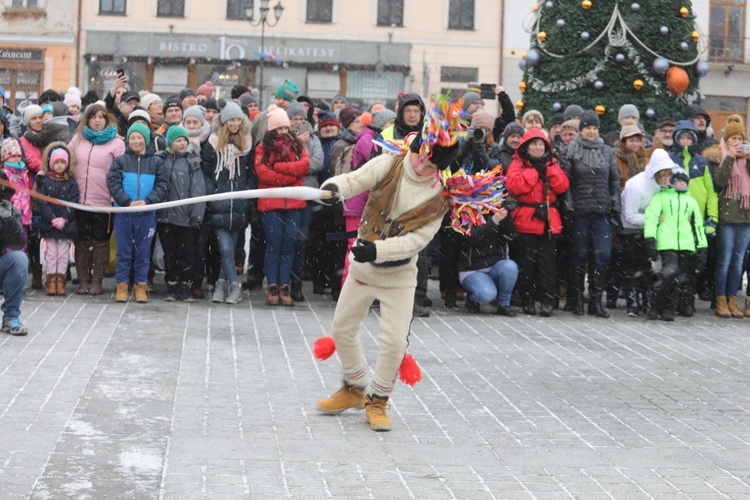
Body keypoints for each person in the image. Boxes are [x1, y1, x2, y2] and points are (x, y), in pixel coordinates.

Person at [316, 102, 459, 432]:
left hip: (399, 276)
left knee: (394, 342)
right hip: (363, 270)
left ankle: (377, 401)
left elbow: (415, 242)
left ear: (440, 165)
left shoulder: (440, 196)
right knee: (342, 329)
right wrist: (334, 188)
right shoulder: (391, 163)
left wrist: (378, 250)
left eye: (430, 162)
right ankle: (353, 387)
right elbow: (358, 178)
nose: (420, 163)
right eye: (421, 153)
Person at [505, 129, 569, 316]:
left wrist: (548, 170)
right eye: (534, 144)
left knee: (548, 265)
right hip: (526, 219)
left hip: (548, 220)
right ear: (526, 146)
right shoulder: (518, 164)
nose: (537, 147)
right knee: (527, 263)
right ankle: (528, 300)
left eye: (541, 144)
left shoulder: (552, 163)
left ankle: (547, 300)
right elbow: (514, 186)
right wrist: (534, 172)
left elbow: (562, 185)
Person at [565, 110, 620, 318]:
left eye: (594, 128)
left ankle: (596, 300)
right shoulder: (572, 150)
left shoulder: (606, 151)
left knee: (603, 256)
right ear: (581, 130)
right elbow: (567, 183)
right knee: (579, 255)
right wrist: (569, 207)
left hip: (602, 211)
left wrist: (615, 205)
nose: (591, 131)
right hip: (580, 211)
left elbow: (614, 181)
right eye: (588, 127)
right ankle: (578, 299)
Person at [255, 105, 310, 306]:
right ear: (271, 129)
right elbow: (263, 174)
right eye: (280, 129)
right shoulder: (263, 147)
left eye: (286, 128)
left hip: (294, 204)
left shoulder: (297, 145)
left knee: (289, 246)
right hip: (271, 204)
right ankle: (272, 286)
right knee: (273, 246)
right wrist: (290, 178)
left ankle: (284, 286)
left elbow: (304, 165)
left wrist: (279, 168)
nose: (284, 133)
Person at [108, 123, 169, 303]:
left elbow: (162, 185)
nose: (136, 141)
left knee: (143, 252)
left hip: (147, 213)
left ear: (146, 139)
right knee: (124, 251)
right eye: (132, 138)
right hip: (124, 213)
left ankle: (141, 285)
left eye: (139, 137)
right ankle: (122, 284)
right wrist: (126, 202)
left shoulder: (156, 162)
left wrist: (148, 201)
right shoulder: (120, 161)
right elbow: (113, 183)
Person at [68, 104, 125, 295]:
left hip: (103, 202)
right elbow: (63, 160)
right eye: (93, 117)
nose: (98, 120)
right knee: (82, 242)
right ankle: (83, 280)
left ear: (107, 119)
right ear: (87, 119)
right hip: (79, 201)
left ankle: (97, 281)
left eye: (102, 117)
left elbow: (121, 172)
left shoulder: (117, 143)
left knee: (101, 242)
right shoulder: (77, 139)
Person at [200, 102, 252, 305]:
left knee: (230, 247)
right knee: (225, 248)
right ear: (224, 121)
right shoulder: (212, 143)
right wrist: (213, 192)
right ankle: (235, 285)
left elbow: (251, 173)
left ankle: (221, 284)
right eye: (231, 119)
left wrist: (246, 193)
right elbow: (206, 170)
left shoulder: (247, 144)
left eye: (238, 119)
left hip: (239, 204)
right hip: (219, 203)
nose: (235, 123)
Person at [643, 171, 708, 321]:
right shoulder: (661, 197)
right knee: (667, 276)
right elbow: (651, 218)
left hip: (685, 244)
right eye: (677, 182)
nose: (680, 185)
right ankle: (656, 305)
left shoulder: (691, 201)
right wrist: (650, 239)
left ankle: (669, 308)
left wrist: (702, 246)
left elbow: (698, 225)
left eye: (683, 182)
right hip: (667, 242)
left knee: (678, 279)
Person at [620, 149, 677, 316]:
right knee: (631, 265)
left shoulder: (661, 186)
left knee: (647, 265)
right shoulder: (637, 186)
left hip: (648, 228)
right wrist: (652, 219)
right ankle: (632, 302)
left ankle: (647, 300)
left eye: (669, 175)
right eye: (664, 175)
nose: (667, 179)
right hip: (629, 229)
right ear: (656, 173)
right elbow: (629, 215)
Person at [156, 126, 206, 302]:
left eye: (184, 140)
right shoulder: (161, 160)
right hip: (166, 217)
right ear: (170, 143)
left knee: (187, 254)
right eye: (178, 140)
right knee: (170, 253)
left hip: (186, 218)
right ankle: (170, 284)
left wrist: (196, 215)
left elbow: (198, 189)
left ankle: (185, 286)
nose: (182, 143)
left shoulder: (192, 162)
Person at [708, 116, 750, 318]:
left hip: (746, 217)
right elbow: (720, 182)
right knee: (724, 260)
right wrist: (731, 157)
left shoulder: (747, 160)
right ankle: (720, 299)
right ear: (725, 140)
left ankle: (733, 298)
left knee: (738, 261)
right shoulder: (719, 157)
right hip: (727, 217)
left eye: (740, 138)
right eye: (733, 138)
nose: (737, 142)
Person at [287, 101, 323, 302]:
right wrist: (297, 146)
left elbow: (317, 163)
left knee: (301, 240)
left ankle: (297, 282)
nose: (298, 122)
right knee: (288, 241)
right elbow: (285, 162)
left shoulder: (314, 139)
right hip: (289, 195)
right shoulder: (284, 139)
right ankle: (284, 280)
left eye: (302, 119)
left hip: (308, 195)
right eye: (295, 118)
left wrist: (298, 165)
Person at [37, 142, 79, 295]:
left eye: (63, 162)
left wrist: (65, 218)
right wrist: (52, 218)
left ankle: (61, 281)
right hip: (50, 225)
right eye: (57, 162)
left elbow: (74, 200)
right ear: (51, 163)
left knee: (62, 255)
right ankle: (51, 280)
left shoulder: (71, 181)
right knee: (51, 255)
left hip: (66, 226)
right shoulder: (45, 181)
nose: (60, 166)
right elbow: (42, 201)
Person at [0, 169, 28, 335]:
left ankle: (10, 317)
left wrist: (7, 218)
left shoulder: (10, 211)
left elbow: (18, 242)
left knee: (19, 259)